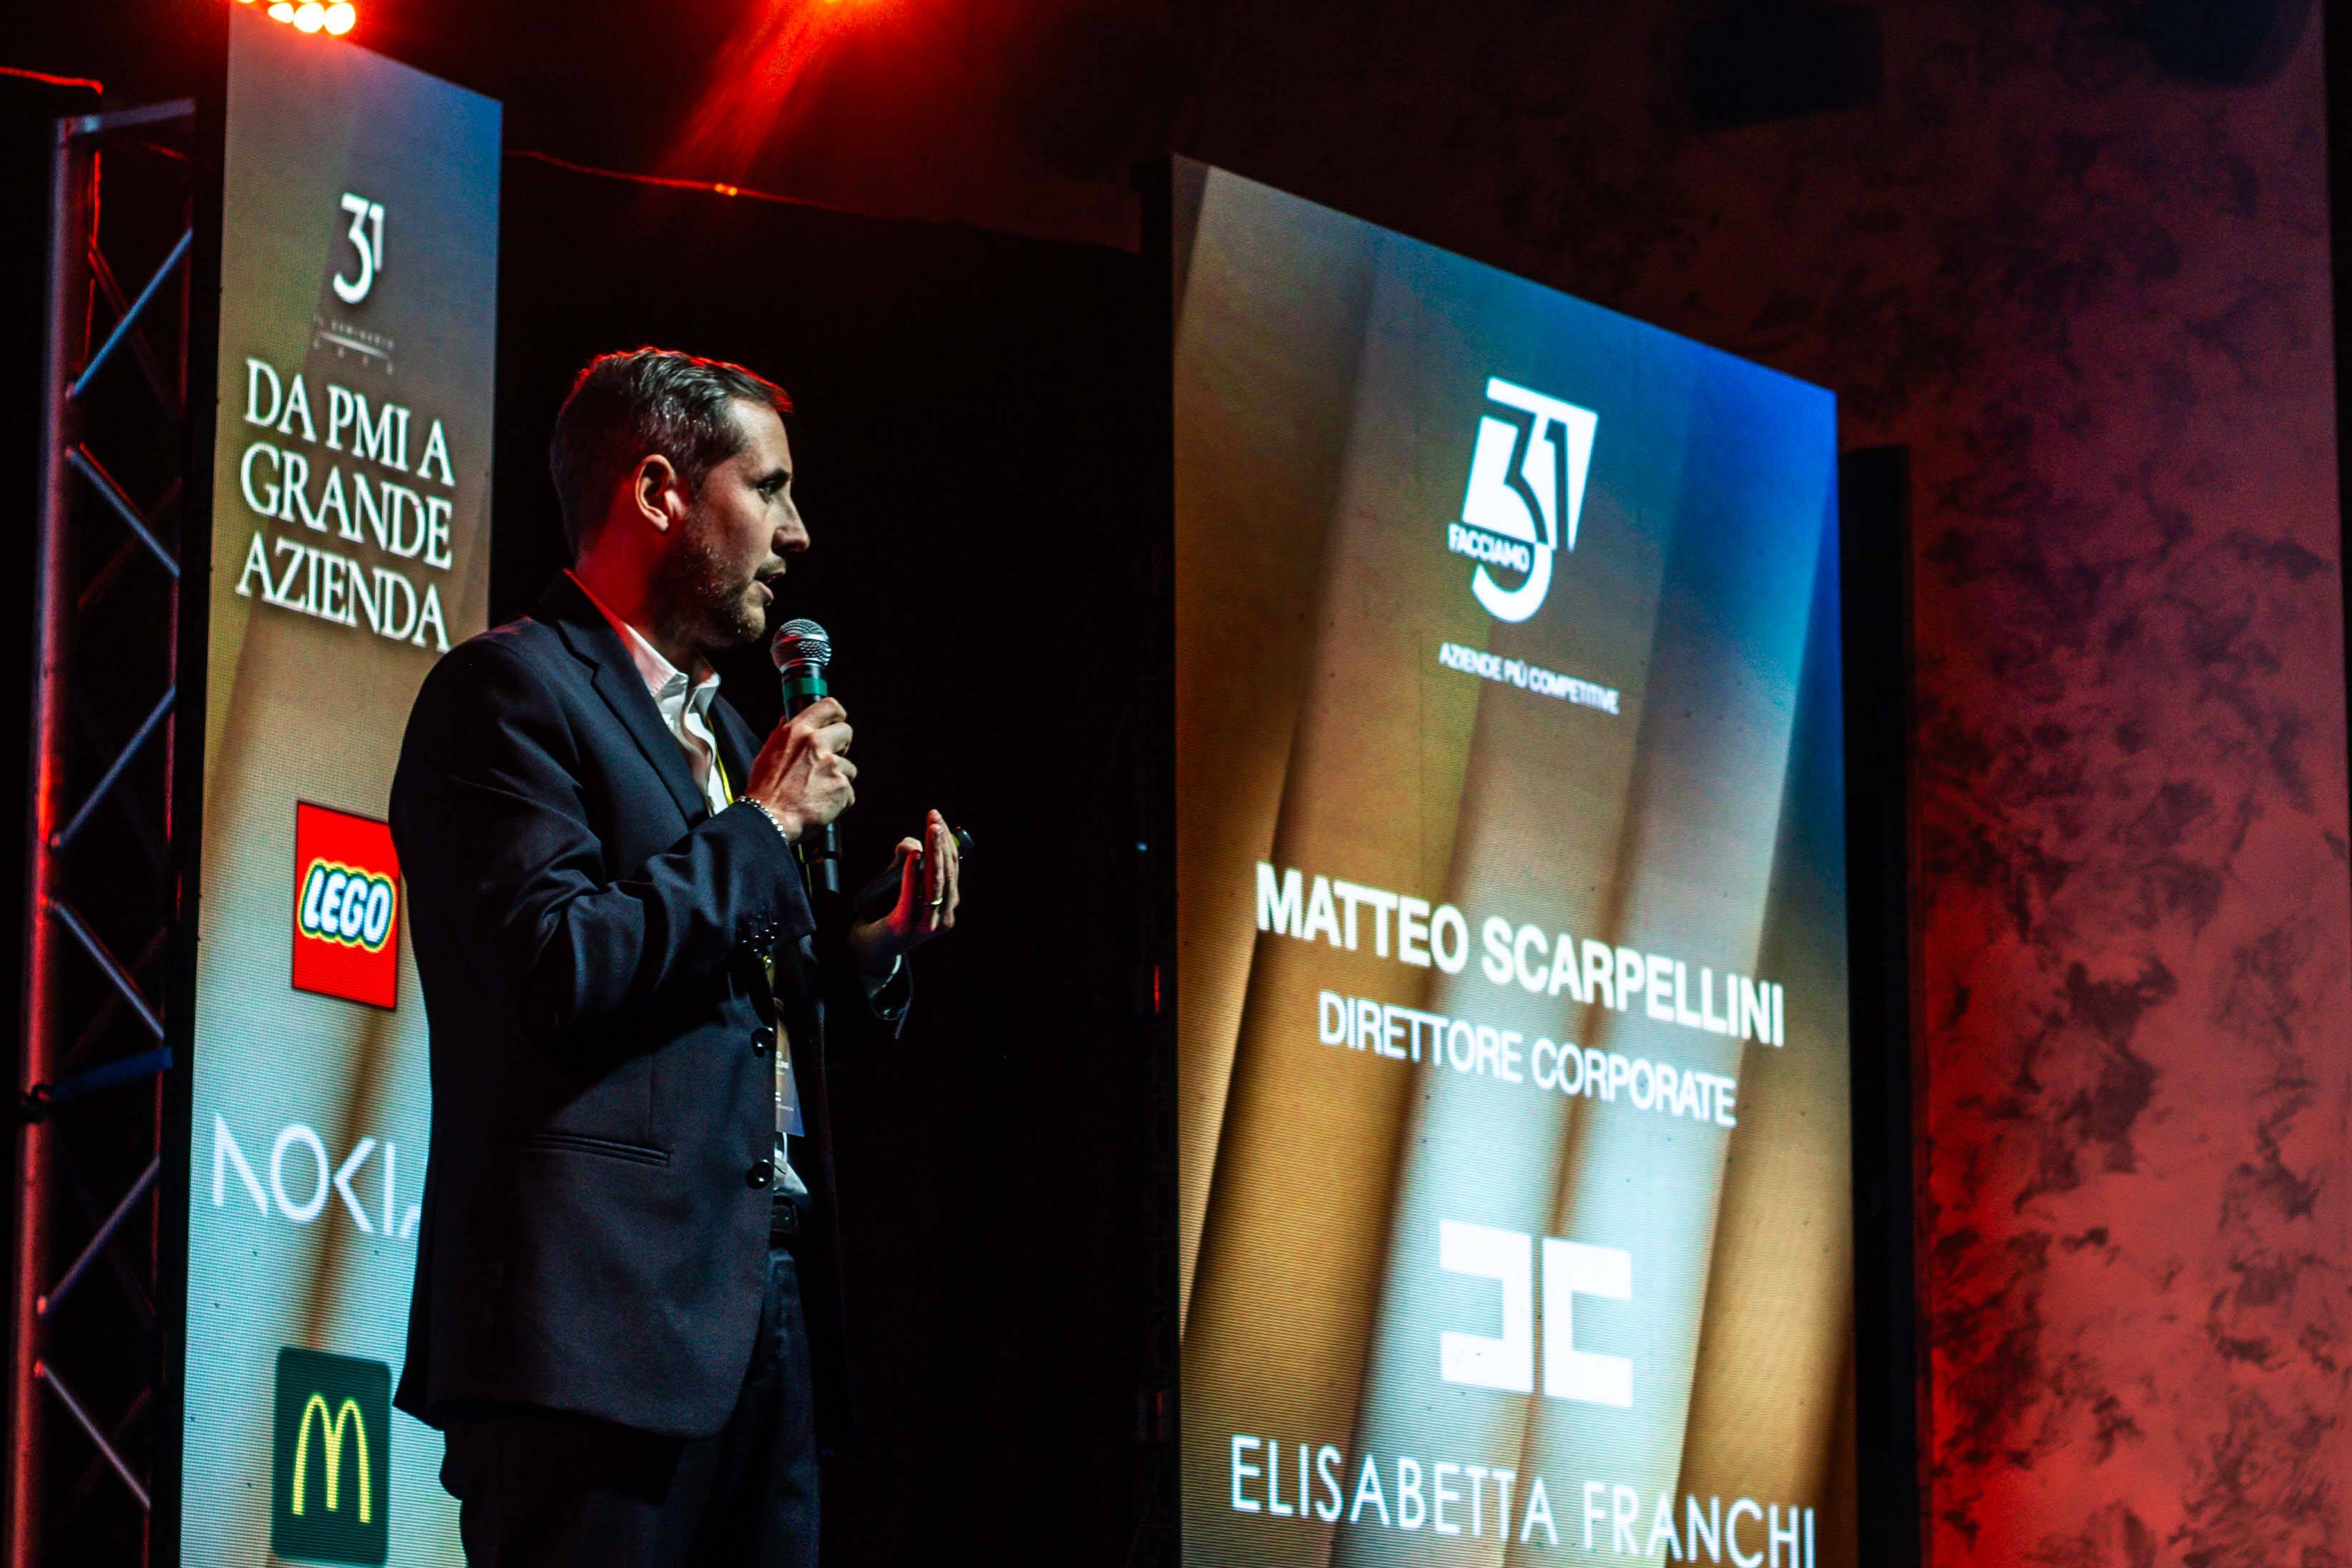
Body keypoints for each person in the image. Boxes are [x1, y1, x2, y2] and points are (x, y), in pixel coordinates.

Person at [388, 346, 961, 1567]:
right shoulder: (507, 692)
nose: (797, 534)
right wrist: (762, 827)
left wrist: (874, 949)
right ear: (659, 492)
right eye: (770, 489)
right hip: (591, 1332)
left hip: (761, 1304)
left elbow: (738, 1006)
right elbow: (557, 965)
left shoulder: (731, 735)